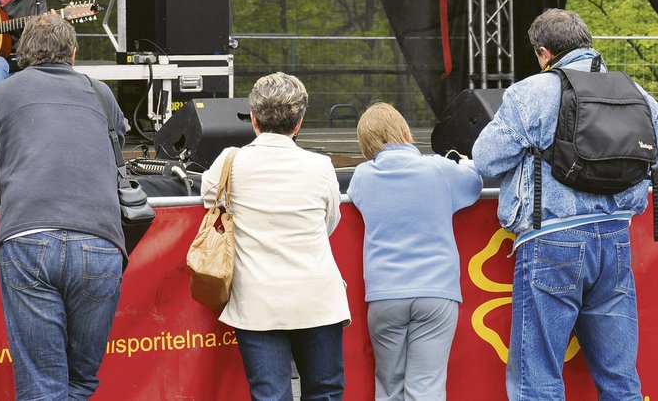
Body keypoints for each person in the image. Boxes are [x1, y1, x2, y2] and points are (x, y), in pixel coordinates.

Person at [471, 8, 658, 401]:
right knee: (620, 378)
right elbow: (655, 166)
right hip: (615, 239)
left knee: (538, 378)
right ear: (587, 41)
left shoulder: (531, 93)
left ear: (544, 53)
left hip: (551, 241)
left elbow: (485, 159)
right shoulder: (640, 95)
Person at [0, 12, 127, 400]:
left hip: (27, 238)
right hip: (100, 241)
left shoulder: (1, 93)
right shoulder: (101, 93)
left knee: (43, 383)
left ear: (22, 54)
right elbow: (116, 153)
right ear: (73, 54)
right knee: (81, 381)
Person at [200, 72, 351, 401]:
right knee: (325, 391)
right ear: (299, 123)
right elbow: (330, 222)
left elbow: (211, 200)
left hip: (258, 301)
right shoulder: (321, 165)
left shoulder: (230, 161)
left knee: (270, 395)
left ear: (253, 119)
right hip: (318, 298)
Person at [347, 102, 482, 401]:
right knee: (427, 387)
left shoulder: (362, 177)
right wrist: (466, 163)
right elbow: (475, 185)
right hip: (436, 292)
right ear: (405, 131)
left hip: (384, 295)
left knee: (389, 387)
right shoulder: (439, 169)